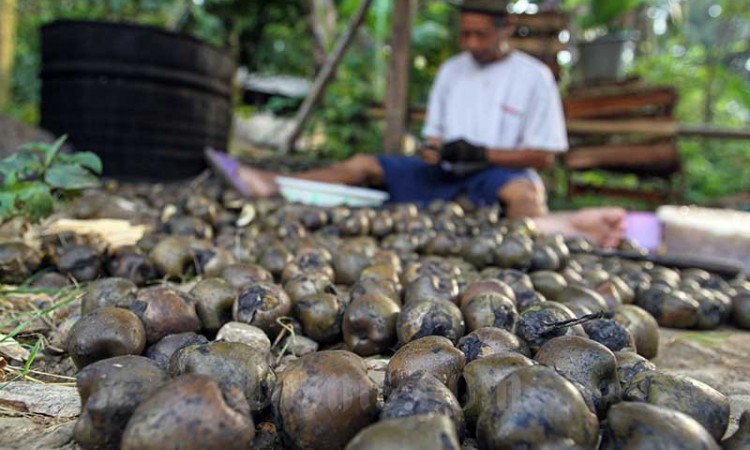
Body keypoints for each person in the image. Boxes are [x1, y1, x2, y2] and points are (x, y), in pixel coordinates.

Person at [206, 0, 625, 247]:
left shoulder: (534, 77)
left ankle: (572, 227)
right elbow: (434, 140)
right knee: (362, 165)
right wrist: (435, 151)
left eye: (481, 35)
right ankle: (274, 185)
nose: (471, 44)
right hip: (442, 173)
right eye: (466, 35)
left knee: (525, 193)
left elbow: (544, 156)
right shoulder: (452, 72)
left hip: (496, 174)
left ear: (506, 28)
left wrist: (481, 154)